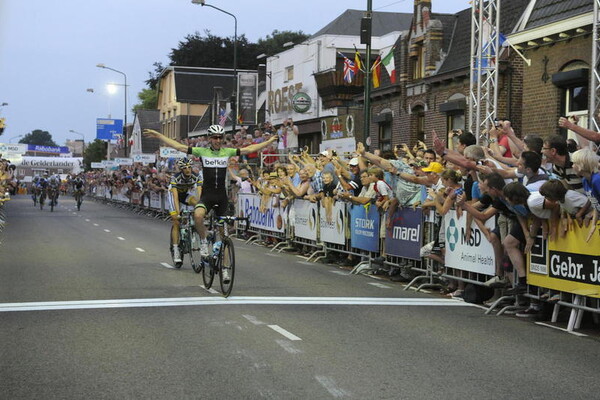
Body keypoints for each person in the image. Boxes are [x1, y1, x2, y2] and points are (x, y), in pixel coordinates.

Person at [145, 125, 276, 277]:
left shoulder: (228, 151)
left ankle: (225, 269)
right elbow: (179, 146)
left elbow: (249, 149)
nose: (218, 140)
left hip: (222, 197)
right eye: (215, 137)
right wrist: (158, 135)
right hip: (207, 196)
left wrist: (269, 141)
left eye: (220, 137)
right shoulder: (202, 151)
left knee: (224, 235)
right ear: (209, 139)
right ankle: (203, 241)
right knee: (198, 216)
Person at [166, 157, 203, 263]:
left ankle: (192, 227)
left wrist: (201, 208)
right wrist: (178, 213)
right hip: (174, 194)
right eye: (185, 168)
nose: (188, 170)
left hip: (185, 194)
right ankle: (176, 249)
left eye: (189, 167)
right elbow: (176, 198)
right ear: (181, 169)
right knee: (176, 221)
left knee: (197, 202)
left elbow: (200, 195)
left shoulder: (197, 177)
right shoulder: (175, 178)